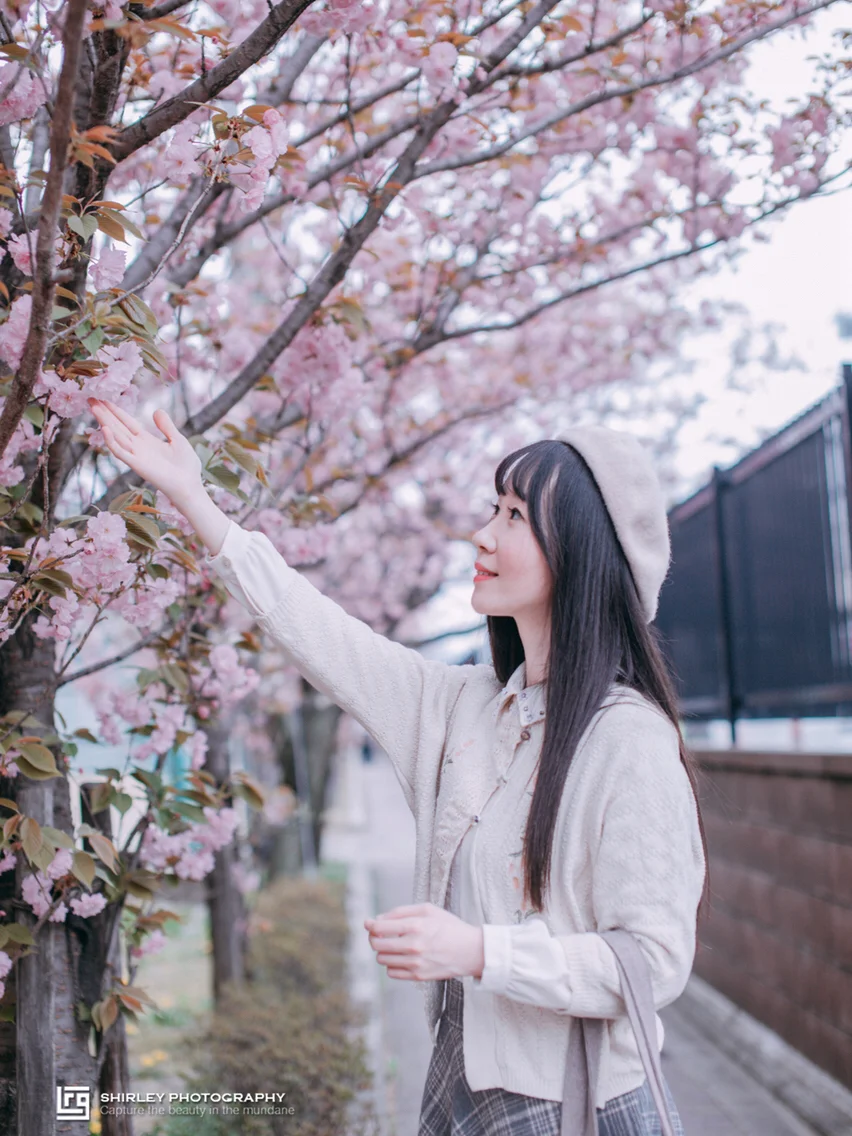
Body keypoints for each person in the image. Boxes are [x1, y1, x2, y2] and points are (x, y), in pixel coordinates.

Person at [87, 396, 707, 1136]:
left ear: (579, 552)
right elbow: (321, 632)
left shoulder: (629, 742)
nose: (482, 534)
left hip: (576, 1105)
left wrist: (477, 952)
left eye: (514, 517)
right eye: (493, 509)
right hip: (457, 1081)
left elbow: (653, 960)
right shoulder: (464, 708)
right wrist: (194, 499)